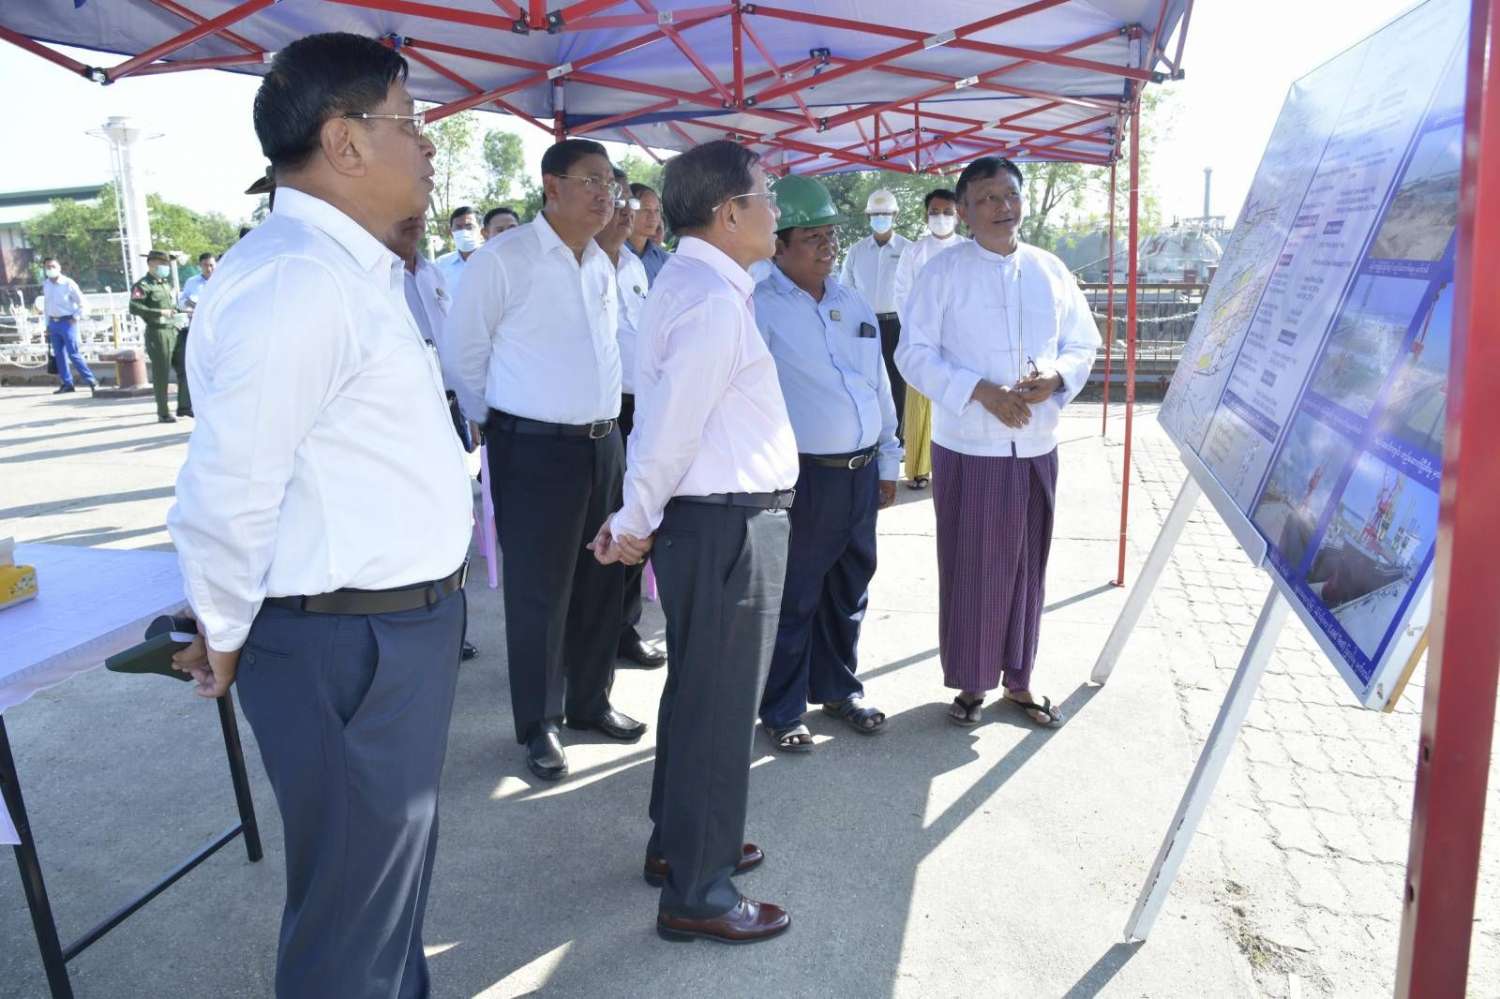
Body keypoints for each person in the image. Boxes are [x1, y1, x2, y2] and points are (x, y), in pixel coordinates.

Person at [165, 33, 473, 998]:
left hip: (390, 628)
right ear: (344, 141)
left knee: (381, 903)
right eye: (411, 122)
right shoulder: (295, 280)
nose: (429, 147)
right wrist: (223, 631)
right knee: (351, 925)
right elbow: (227, 490)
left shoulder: (348, 268)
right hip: (348, 642)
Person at [591, 139, 798, 945]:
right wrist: (633, 520)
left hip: (717, 520)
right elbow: (671, 429)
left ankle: (680, 845)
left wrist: (637, 515)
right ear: (729, 213)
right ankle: (699, 892)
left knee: (698, 697)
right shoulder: (710, 301)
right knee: (717, 710)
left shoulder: (696, 284)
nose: (775, 210)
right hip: (725, 523)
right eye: (766, 196)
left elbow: (665, 422)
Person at [444, 138, 643, 782]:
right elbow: (464, 357)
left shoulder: (600, 262)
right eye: (591, 181)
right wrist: (503, 424)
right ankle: (540, 724)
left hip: (603, 442)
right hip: (532, 447)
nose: (605, 194)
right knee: (540, 593)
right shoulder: (503, 261)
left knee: (602, 579)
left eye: (610, 183)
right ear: (551, 186)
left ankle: (590, 702)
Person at [895, 156, 1100, 729]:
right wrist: (979, 391)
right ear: (963, 211)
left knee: (1028, 568)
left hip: (1036, 444)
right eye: (987, 198)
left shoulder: (1049, 269)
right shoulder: (942, 273)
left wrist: (1057, 377)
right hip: (970, 446)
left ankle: (1020, 678)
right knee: (973, 568)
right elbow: (912, 353)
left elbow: (1083, 343)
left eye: (1010, 195)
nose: (1002, 207)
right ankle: (972, 681)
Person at [753, 175, 901, 752]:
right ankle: (783, 709)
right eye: (812, 236)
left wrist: (888, 459)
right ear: (779, 245)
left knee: (849, 586)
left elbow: (878, 383)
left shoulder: (850, 300)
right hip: (805, 477)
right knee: (796, 595)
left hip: (861, 473)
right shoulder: (759, 306)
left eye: (830, 235)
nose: (827, 246)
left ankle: (839, 689)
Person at [387, 213, 481, 662]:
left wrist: (471, 405)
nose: (414, 222)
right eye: (405, 215)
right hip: (404, 411)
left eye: (419, 215)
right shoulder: (376, 276)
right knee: (409, 518)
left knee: (452, 512)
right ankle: (419, 630)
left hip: (448, 404)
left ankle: (448, 626)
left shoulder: (432, 274)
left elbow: (455, 343)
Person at [598, 168, 667, 670]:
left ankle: (623, 628)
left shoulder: (636, 268)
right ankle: (587, 636)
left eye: (630, 200)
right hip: (593, 417)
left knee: (632, 521)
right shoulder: (573, 264)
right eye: (617, 199)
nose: (627, 210)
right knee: (596, 531)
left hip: (637, 410)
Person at [892, 188, 967, 488]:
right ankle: (918, 469)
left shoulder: (968, 250)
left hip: (962, 341)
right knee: (920, 405)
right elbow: (902, 294)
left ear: (959, 216)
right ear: (926, 216)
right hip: (922, 339)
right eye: (935, 212)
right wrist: (918, 331)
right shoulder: (914, 251)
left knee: (959, 401)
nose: (941, 217)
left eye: (948, 212)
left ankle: (957, 468)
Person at [840, 189, 910, 438]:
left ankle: (897, 439)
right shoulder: (856, 251)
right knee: (865, 379)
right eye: (876, 213)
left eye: (886, 213)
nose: (881, 217)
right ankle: (870, 434)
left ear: (895, 215)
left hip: (898, 324)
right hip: (864, 324)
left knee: (897, 381)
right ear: (868, 216)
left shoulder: (908, 249)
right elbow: (845, 290)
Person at [128, 249, 183, 423]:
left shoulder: (165, 284)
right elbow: (134, 307)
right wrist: (159, 312)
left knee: (184, 368)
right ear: (152, 264)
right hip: (157, 332)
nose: (166, 267)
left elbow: (171, 305)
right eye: (162, 264)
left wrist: (178, 312)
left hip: (174, 329)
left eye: (167, 264)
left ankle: (185, 406)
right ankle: (163, 411)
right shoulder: (143, 286)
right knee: (162, 374)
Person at [40, 256, 97, 395]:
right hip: (53, 323)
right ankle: (67, 384)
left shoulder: (68, 283)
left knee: (73, 354)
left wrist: (76, 317)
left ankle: (91, 381)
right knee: (59, 355)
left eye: (53, 266)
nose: (50, 269)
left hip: (67, 322)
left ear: (59, 268)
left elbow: (83, 303)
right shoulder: (46, 284)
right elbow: (47, 306)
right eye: (47, 267)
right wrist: (47, 324)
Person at [173, 251, 216, 418]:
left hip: (217, 328)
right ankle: (198, 402)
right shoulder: (192, 282)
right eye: (205, 265)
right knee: (200, 366)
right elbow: (181, 302)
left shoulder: (221, 279)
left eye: (211, 265)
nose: (209, 269)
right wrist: (191, 305)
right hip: (197, 328)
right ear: (200, 266)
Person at [625, 182, 671, 283]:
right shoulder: (615, 252)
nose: (653, 217)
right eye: (646, 210)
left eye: (657, 210)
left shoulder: (664, 260)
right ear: (629, 210)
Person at [434, 205, 483, 296]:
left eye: (469, 227)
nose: (464, 231)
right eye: (458, 227)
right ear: (451, 232)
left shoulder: (493, 262)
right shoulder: (440, 264)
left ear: (481, 231)